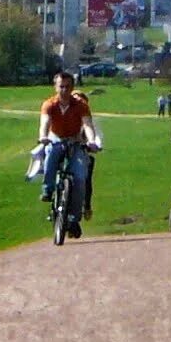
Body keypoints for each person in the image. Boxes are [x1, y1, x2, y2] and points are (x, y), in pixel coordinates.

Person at [38, 71, 98, 237]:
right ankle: (47, 189)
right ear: (55, 87)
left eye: (67, 87)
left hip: (75, 141)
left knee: (80, 177)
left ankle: (74, 217)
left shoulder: (80, 105)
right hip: (56, 138)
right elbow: (44, 123)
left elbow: (87, 125)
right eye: (61, 86)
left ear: (72, 88)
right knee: (51, 155)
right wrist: (43, 137)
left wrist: (91, 141)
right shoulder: (49, 104)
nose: (64, 90)